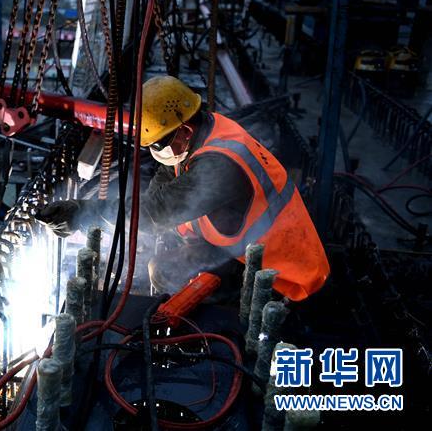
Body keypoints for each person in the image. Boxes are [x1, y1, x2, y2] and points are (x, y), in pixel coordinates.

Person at [37, 75, 330, 301]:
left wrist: (83, 214)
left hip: (282, 276)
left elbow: (156, 211)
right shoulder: (202, 134)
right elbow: (160, 190)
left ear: (185, 130)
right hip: (240, 248)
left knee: (164, 272)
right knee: (161, 257)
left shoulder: (220, 166)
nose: (155, 152)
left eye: (157, 145)